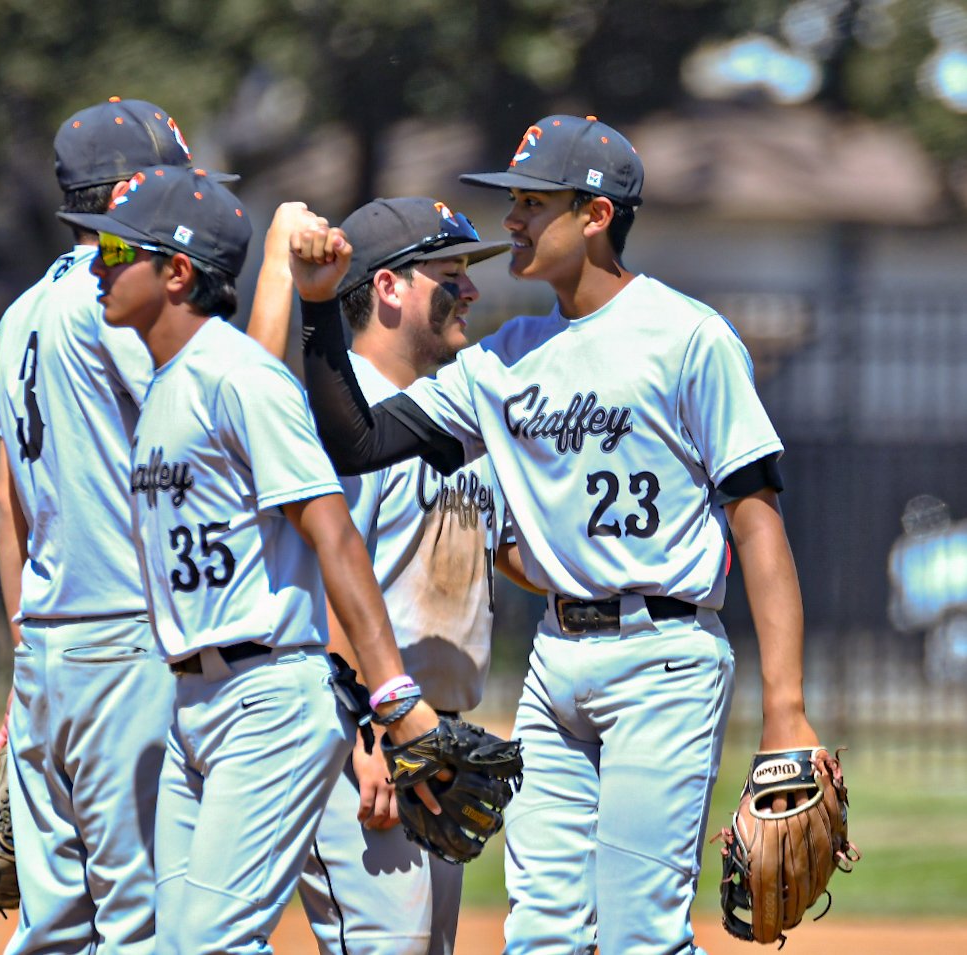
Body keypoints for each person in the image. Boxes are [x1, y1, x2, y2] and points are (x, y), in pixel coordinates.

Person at [292, 114, 828, 955]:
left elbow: (758, 526)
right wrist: (319, 308)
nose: (511, 222)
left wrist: (786, 710)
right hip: (555, 659)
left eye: (533, 203)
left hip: (665, 658)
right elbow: (353, 442)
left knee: (639, 933)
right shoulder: (506, 357)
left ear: (597, 215)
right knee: (540, 933)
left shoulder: (688, 337)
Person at [60, 164, 447, 955]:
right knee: (176, 945)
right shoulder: (171, 384)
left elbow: (335, 535)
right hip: (194, 707)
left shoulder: (240, 380)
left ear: (175, 272)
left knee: (209, 943)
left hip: (268, 698)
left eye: (113, 249)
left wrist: (395, 697)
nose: (95, 263)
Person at [247, 196, 532, 955]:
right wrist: (365, 733)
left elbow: (503, 550)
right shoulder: (346, 418)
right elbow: (321, 576)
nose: (470, 289)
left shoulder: (448, 412)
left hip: (433, 739)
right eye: (450, 273)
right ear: (388, 288)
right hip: (368, 730)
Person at [0, 97, 229, 955]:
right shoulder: (114, 307)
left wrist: (24, 659)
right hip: (127, 639)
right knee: (143, 917)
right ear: (132, 190)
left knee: (54, 924)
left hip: (51, 649)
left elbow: (5, 500)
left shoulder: (20, 313)